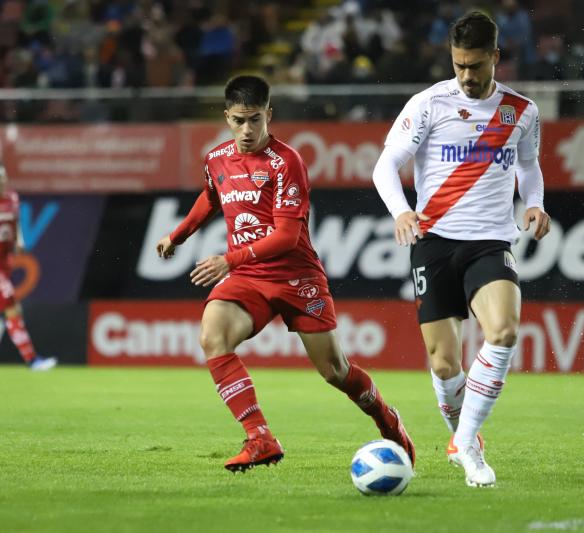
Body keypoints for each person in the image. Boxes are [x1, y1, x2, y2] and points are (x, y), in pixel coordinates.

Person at [156, 75, 414, 473]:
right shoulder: (216, 159)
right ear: (227, 117)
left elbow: (287, 236)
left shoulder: (287, 161)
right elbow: (210, 197)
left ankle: (386, 418)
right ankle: (260, 438)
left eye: (255, 120)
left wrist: (229, 259)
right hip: (249, 277)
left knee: (336, 372)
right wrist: (177, 235)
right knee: (213, 336)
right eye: (239, 120)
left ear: (269, 115)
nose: (247, 130)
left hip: (297, 277)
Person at [372, 11, 550, 487]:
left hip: (490, 241)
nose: (467, 76)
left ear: (495, 56)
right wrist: (401, 211)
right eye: (459, 66)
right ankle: (467, 442)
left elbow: (529, 168)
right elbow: (385, 166)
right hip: (432, 243)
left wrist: (533, 204)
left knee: (505, 330)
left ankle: (465, 443)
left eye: (475, 65)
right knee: (445, 364)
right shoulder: (429, 104)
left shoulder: (521, 112)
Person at [0, 164, 57, 371]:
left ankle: (32, 360)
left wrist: (20, 241)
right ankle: (32, 360)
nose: (2, 182)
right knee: (12, 308)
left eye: (4, 177)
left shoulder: (12, 198)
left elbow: (15, 224)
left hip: (5, 262)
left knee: (9, 311)